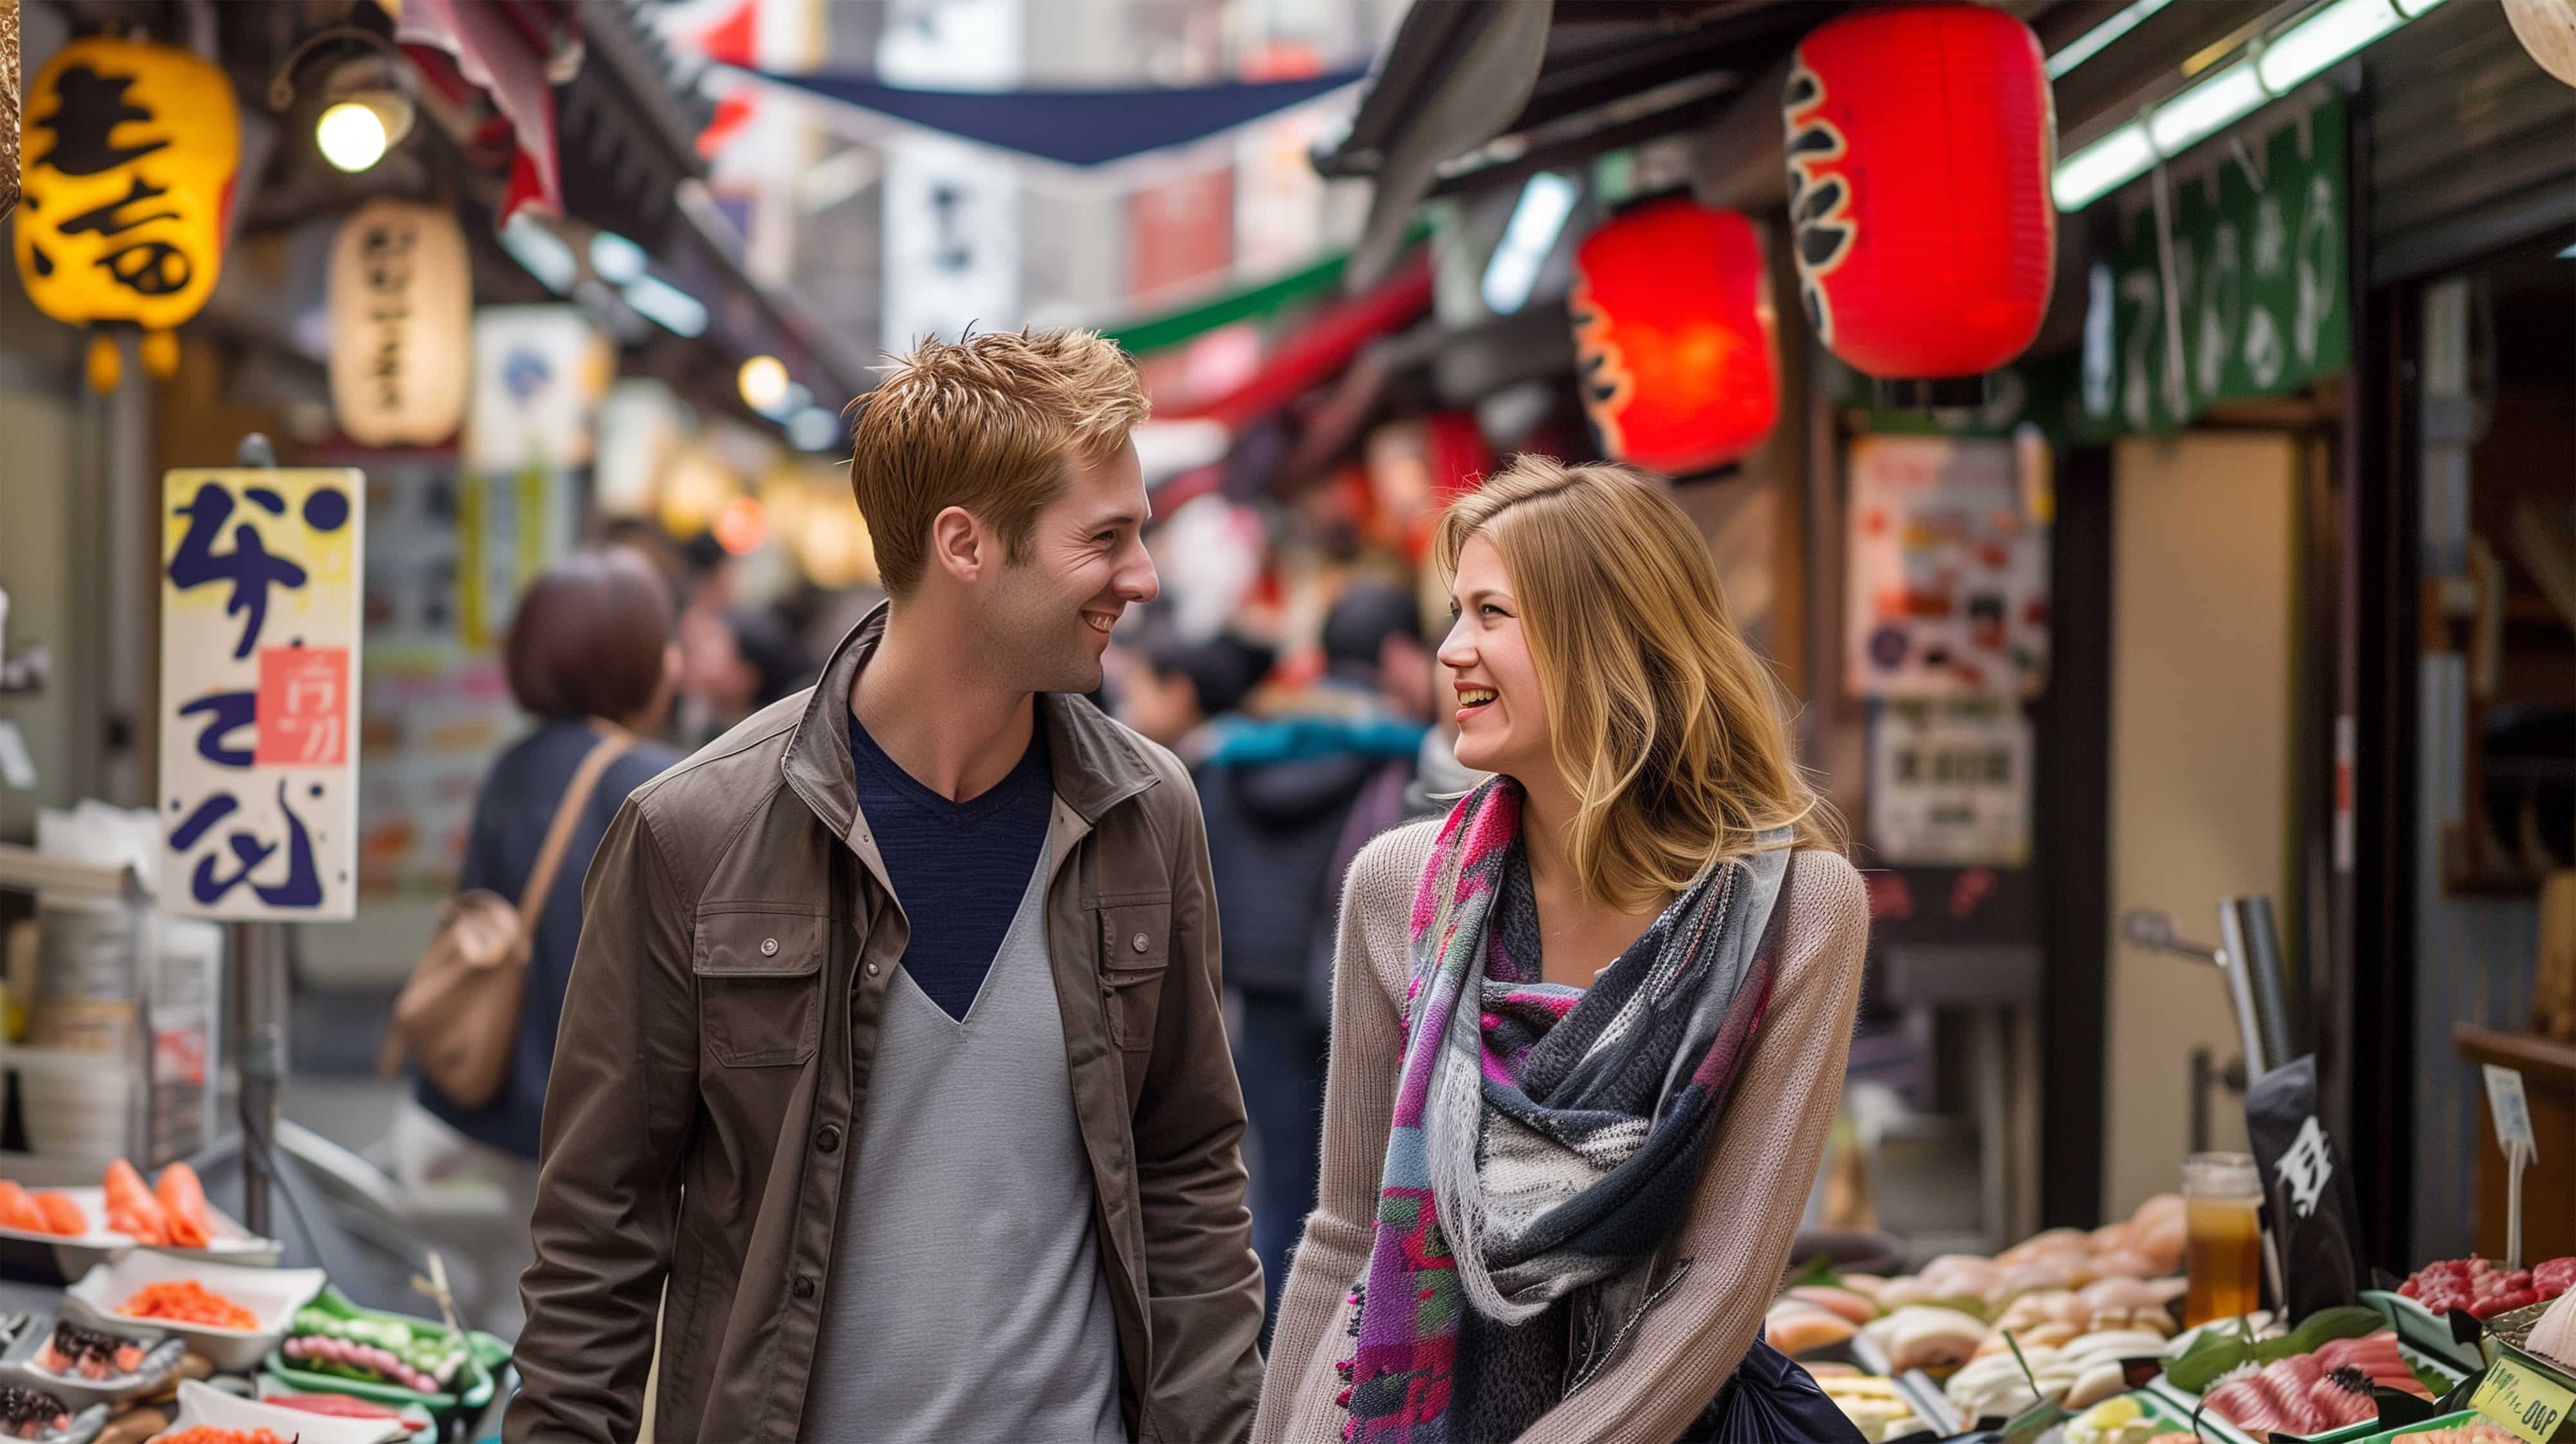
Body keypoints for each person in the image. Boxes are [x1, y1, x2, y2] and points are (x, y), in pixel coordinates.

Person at [508, 329, 1265, 1444]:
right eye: (1105, 538)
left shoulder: (1147, 814)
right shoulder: (694, 831)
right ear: (965, 544)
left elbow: (1189, 1169)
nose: (1143, 579)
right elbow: (596, 1239)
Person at [1255, 457, 1869, 1444]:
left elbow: (1722, 1275)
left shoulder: (1800, 912)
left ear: (1607, 636)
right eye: (1455, 612)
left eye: (1491, 613)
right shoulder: (1397, 886)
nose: (1452, 648)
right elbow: (1347, 1237)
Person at [391, 549, 681, 1333]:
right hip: (583, 1121)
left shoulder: (511, 766)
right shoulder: (652, 784)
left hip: (481, 1101)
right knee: (568, 1332)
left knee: (495, 1322)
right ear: (633, 659)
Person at [1193, 582, 1432, 1340]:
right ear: (1397, 655)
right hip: (1348, 988)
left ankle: (1265, 1365)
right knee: (1353, 1199)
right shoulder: (1400, 753)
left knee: (1279, 1185)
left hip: (1259, 988)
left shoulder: (1247, 740)